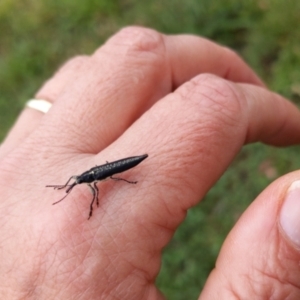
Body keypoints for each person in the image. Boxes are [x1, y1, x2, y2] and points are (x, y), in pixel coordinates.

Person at [0, 26, 300, 299]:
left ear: (84, 178)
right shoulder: (87, 177)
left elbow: (102, 179)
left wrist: (109, 188)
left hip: (120, 165)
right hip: (113, 166)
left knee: (114, 178)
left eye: (76, 182)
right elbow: (85, 180)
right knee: (110, 179)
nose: (77, 183)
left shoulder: (93, 179)